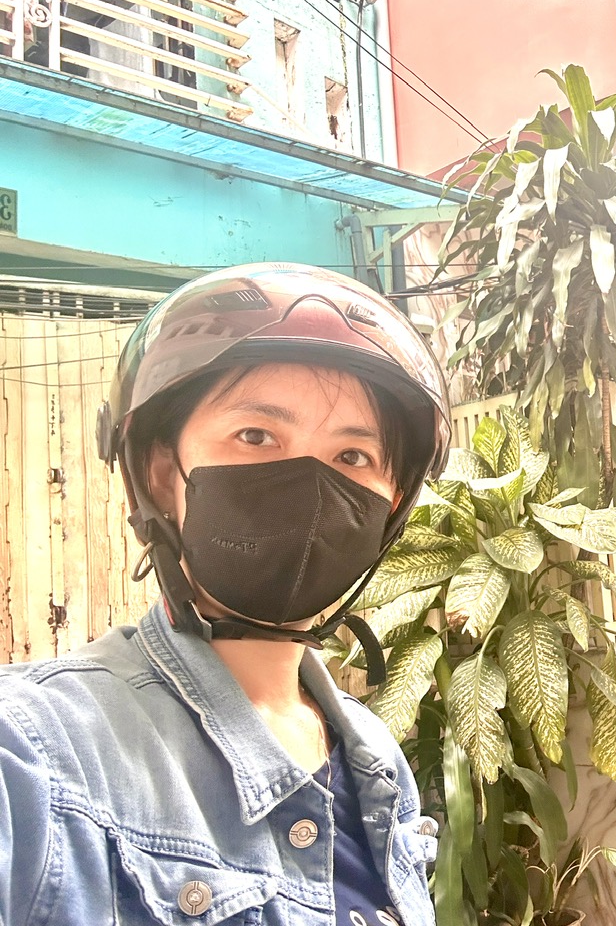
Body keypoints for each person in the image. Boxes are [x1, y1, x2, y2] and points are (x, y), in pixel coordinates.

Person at [0, 264, 451, 926]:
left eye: (353, 457)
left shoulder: (375, 757)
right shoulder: (34, 749)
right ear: (160, 476)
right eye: (256, 436)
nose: (308, 486)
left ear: (392, 506)